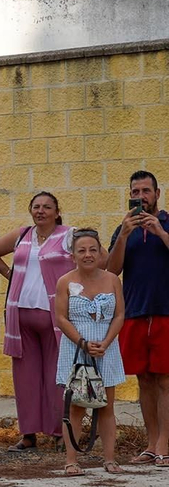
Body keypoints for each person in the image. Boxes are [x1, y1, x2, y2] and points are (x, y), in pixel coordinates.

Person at [0, 191, 71, 451]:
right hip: (21, 315)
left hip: (55, 318)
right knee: (26, 379)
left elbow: (98, 258)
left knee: (57, 376)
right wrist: (11, 275)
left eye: (47, 207)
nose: (41, 211)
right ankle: (29, 434)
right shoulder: (23, 234)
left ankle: (59, 433)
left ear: (57, 211)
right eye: (36, 206)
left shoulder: (68, 235)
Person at [106, 170, 169, 467]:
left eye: (146, 191)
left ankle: (164, 446)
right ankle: (150, 444)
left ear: (157, 194)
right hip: (134, 312)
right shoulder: (123, 229)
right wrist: (124, 234)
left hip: (165, 311)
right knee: (144, 380)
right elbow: (111, 271)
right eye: (136, 191)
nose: (141, 197)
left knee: (165, 380)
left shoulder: (166, 223)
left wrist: (160, 232)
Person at [57, 229, 128, 475]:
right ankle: (71, 460)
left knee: (106, 405)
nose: (88, 255)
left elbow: (119, 314)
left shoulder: (112, 280)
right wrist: (83, 343)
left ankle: (109, 459)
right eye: (82, 250)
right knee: (76, 406)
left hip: (106, 348)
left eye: (93, 250)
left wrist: (106, 342)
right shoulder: (65, 281)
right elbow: (61, 318)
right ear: (73, 255)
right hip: (76, 349)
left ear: (100, 253)